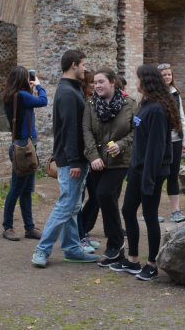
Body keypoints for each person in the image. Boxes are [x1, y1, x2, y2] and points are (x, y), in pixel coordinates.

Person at [109, 64, 179, 281]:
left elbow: (156, 149)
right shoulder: (146, 104)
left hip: (152, 172)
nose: (135, 82)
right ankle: (132, 260)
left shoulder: (158, 110)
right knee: (128, 211)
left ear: (146, 81)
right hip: (138, 169)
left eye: (138, 78)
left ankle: (151, 264)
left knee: (149, 216)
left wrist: (148, 179)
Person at [31, 50, 99, 267]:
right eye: (83, 65)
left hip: (75, 159)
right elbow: (70, 130)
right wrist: (76, 162)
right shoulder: (68, 93)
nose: (85, 69)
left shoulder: (72, 89)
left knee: (73, 206)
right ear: (73, 65)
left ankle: (71, 248)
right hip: (72, 161)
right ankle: (41, 250)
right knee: (65, 205)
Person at [82, 68, 137, 266]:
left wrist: (121, 145)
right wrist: (93, 157)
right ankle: (116, 250)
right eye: (95, 82)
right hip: (97, 161)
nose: (97, 85)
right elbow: (86, 131)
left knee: (104, 194)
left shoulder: (130, 104)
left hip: (120, 161)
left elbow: (136, 132)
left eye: (101, 82)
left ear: (113, 82)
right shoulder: (90, 105)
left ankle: (115, 243)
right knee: (104, 198)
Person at [1, 66, 48, 241]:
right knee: (16, 188)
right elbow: (43, 101)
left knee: (27, 189)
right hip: (24, 148)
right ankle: (7, 227)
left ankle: (29, 227)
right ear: (22, 79)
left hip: (23, 146)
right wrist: (38, 86)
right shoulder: (21, 96)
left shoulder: (13, 96)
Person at [157, 63, 185, 223]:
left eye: (169, 74)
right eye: (163, 75)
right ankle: (152, 210)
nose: (167, 77)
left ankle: (176, 210)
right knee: (157, 176)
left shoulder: (176, 94)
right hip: (160, 142)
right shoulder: (154, 96)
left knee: (173, 175)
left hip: (175, 140)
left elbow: (181, 117)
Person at [78, 70, 102, 253]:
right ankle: (80, 236)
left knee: (94, 197)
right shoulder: (83, 103)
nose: (95, 86)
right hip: (84, 157)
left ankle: (83, 232)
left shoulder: (94, 102)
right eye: (92, 83)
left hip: (93, 157)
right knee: (78, 200)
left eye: (97, 83)